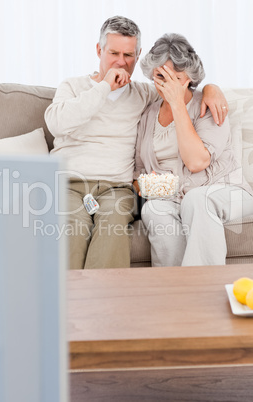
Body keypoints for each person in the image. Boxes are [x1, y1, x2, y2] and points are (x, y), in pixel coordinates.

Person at [45, 16, 229, 270]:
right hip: (68, 184)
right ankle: (64, 304)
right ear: (99, 50)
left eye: (128, 55)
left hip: (116, 188)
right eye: (113, 53)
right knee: (72, 227)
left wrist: (211, 88)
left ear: (139, 54)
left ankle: (104, 304)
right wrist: (104, 86)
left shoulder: (144, 94)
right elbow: (57, 124)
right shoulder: (73, 87)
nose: (121, 61)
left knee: (112, 225)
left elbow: (181, 91)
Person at [134, 33, 253, 267]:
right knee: (154, 209)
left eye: (176, 78)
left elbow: (197, 162)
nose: (167, 86)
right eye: (160, 77)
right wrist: (148, 185)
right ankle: (178, 292)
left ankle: (205, 289)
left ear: (189, 77)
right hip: (174, 196)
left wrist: (178, 104)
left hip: (225, 190)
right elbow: (138, 174)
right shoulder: (148, 115)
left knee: (198, 200)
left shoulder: (208, 105)